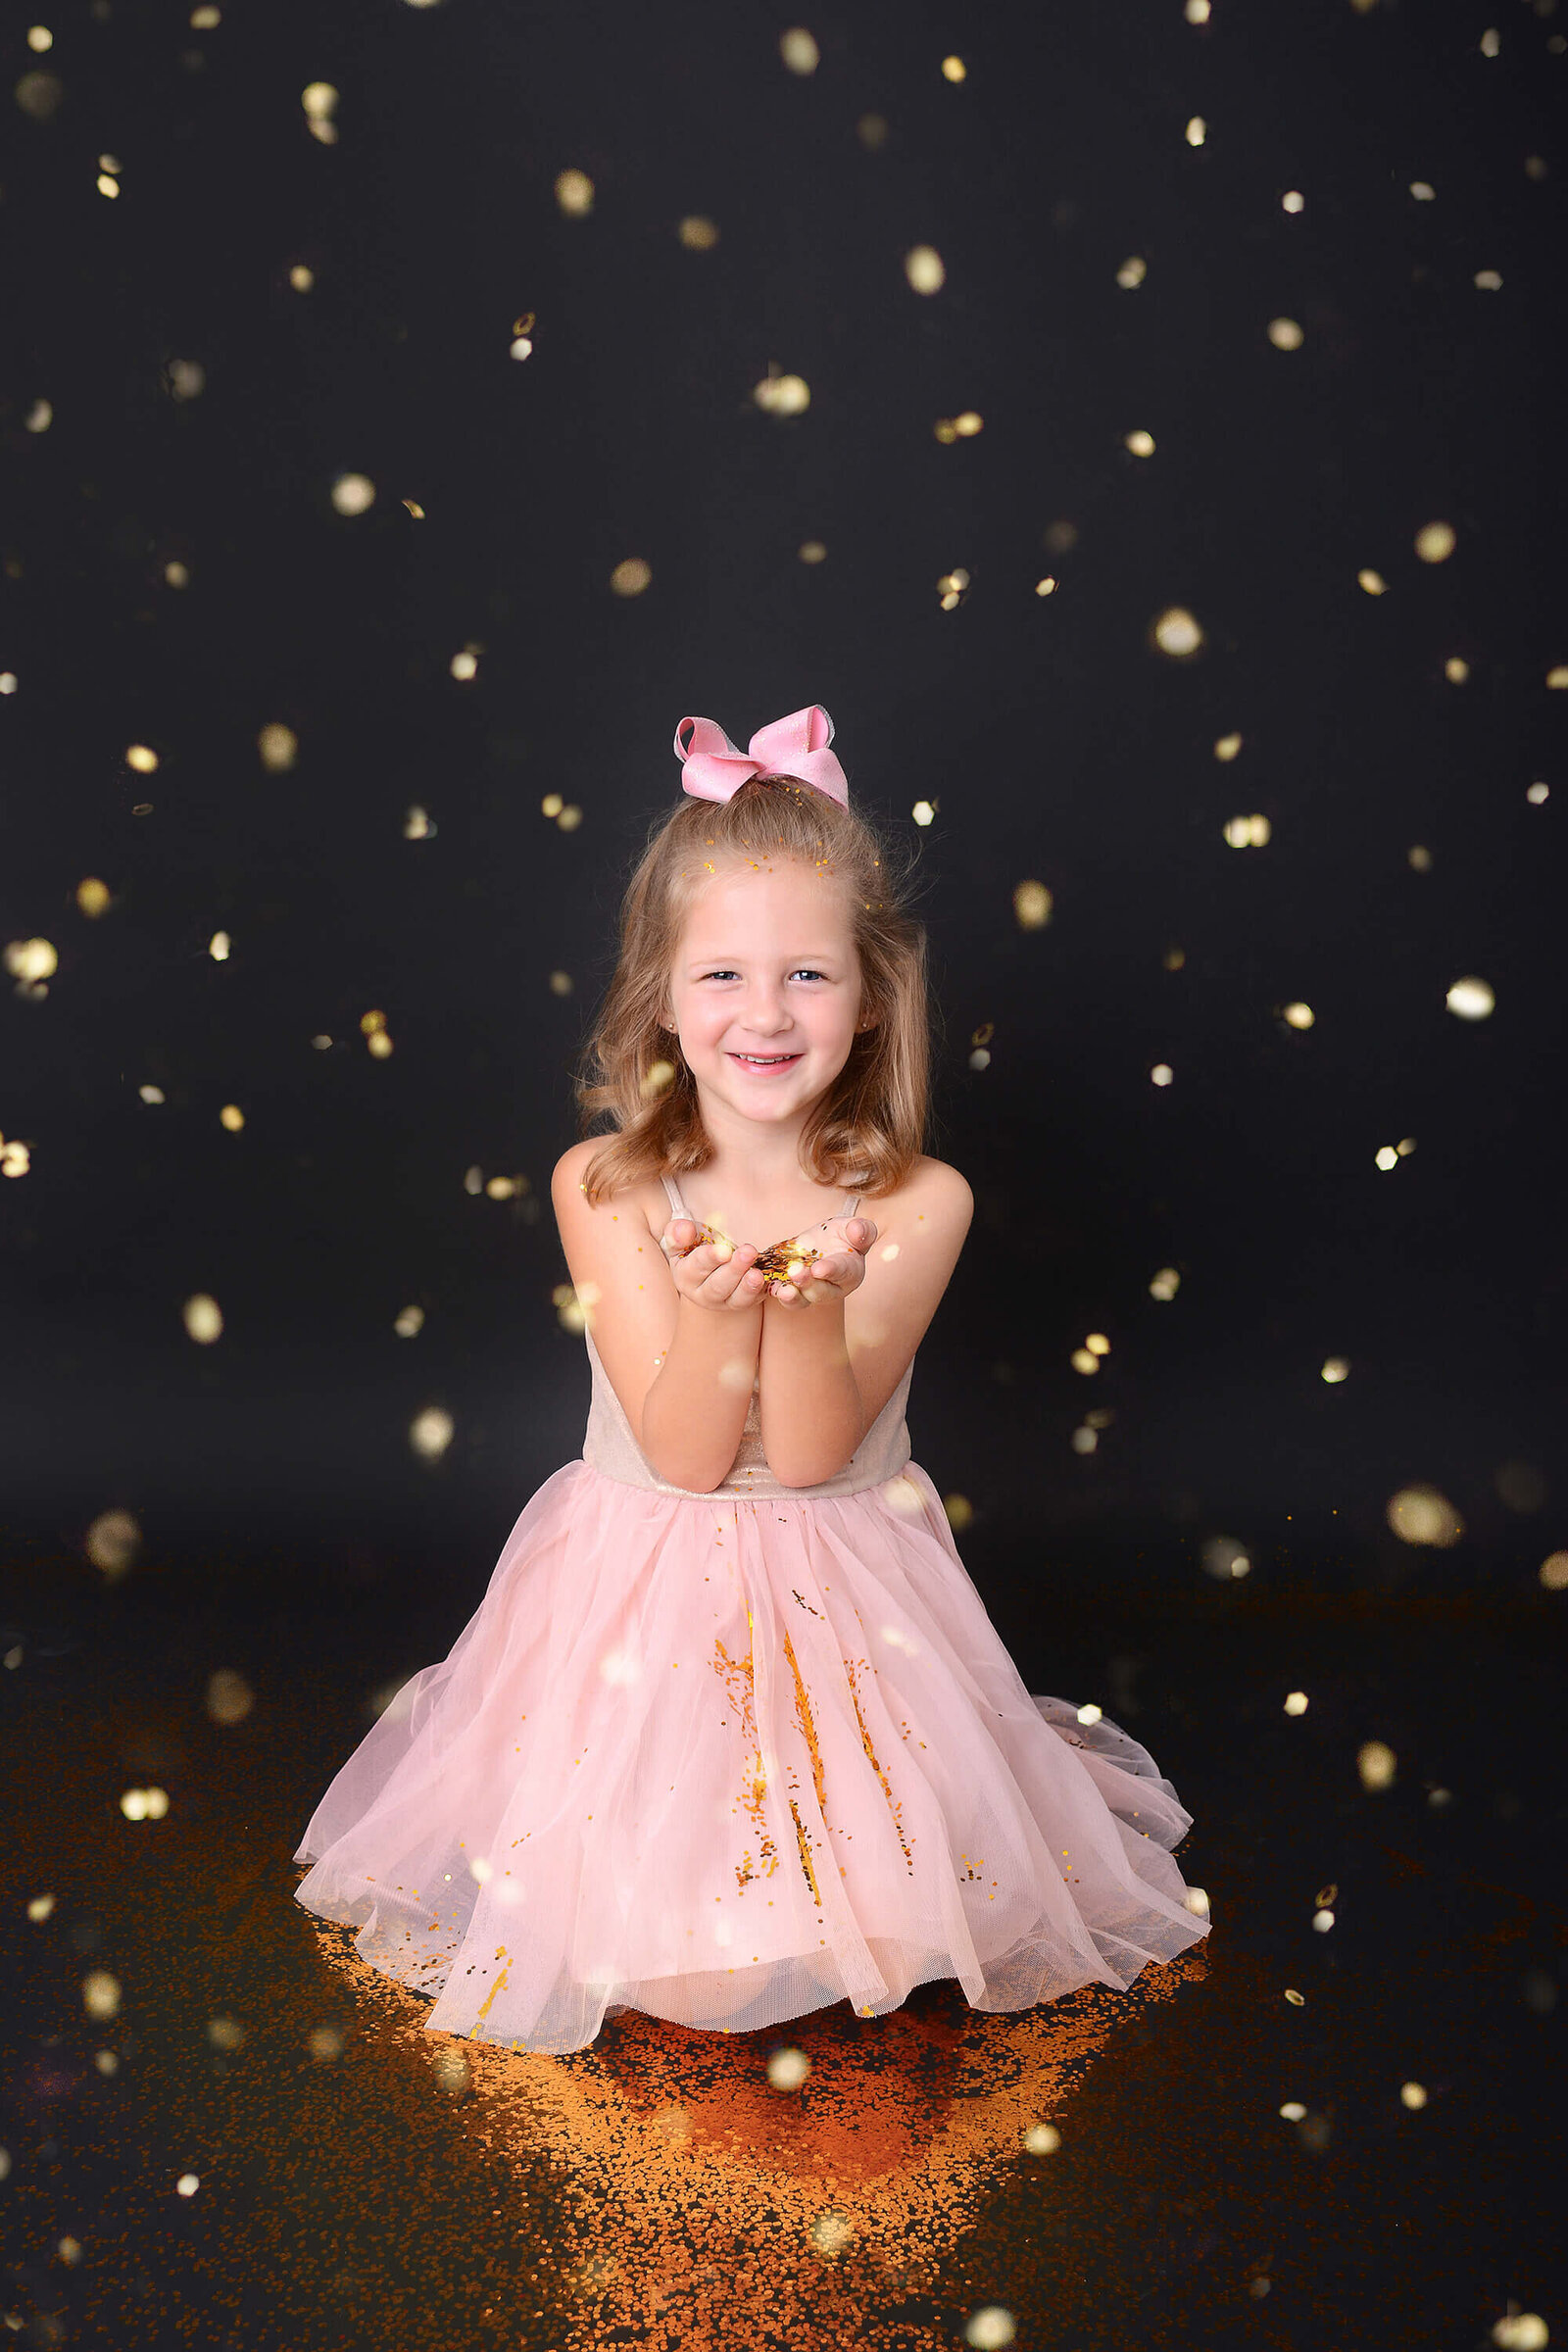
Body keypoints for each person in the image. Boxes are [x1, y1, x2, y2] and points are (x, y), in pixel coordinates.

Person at [292, 705, 1210, 2054]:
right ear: (661, 994)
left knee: (883, 1930)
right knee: (687, 1964)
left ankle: (828, 1847)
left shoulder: (917, 1200)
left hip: (846, 1601)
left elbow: (821, 1443)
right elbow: (683, 1458)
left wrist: (808, 1308)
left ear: (874, 994)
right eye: (721, 977)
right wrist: (726, 1317)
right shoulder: (606, 1183)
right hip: (645, 1597)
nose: (765, 1017)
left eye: (809, 978)